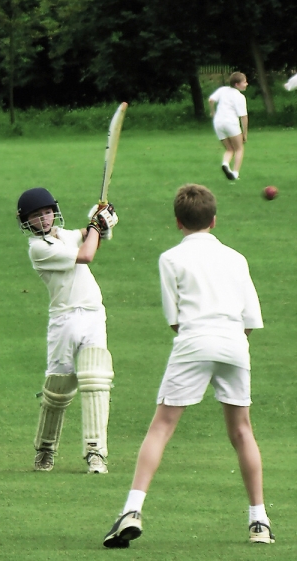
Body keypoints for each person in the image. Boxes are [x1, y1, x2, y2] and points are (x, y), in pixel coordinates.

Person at [103, 184, 273, 548]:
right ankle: (259, 521)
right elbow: (251, 319)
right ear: (214, 220)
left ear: (178, 222)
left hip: (194, 340)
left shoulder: (170, 259)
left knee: (162, 426)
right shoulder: (236, 258)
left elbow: (175, 319)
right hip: (234, 343)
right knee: (242, 431)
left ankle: (132, 510)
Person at [16, 187, 119, 474]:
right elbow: (86, 255)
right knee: (58, 389)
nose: (44, 218)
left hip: (93, 314)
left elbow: (88, 236)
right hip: (64, 320)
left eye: (47, 211)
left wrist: (102, 218)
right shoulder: (39, 249)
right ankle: (45, 450)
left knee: (97, 380)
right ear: (27, 221)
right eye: (37, 215)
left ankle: (95, 452)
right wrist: (96, 228)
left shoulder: (64, 235)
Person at [208, 72, 248, 181]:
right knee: (239, 148)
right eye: (244, 82)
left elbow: (211, 100)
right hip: (231, 123)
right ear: (237, 84)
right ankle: (235, 173)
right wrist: (245, 133)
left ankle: (225, 164)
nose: (246, 84)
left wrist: (213, 112)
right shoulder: (240, 97)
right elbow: (243, 116)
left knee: (229, 149)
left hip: (218, 123)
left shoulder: (223, 90)